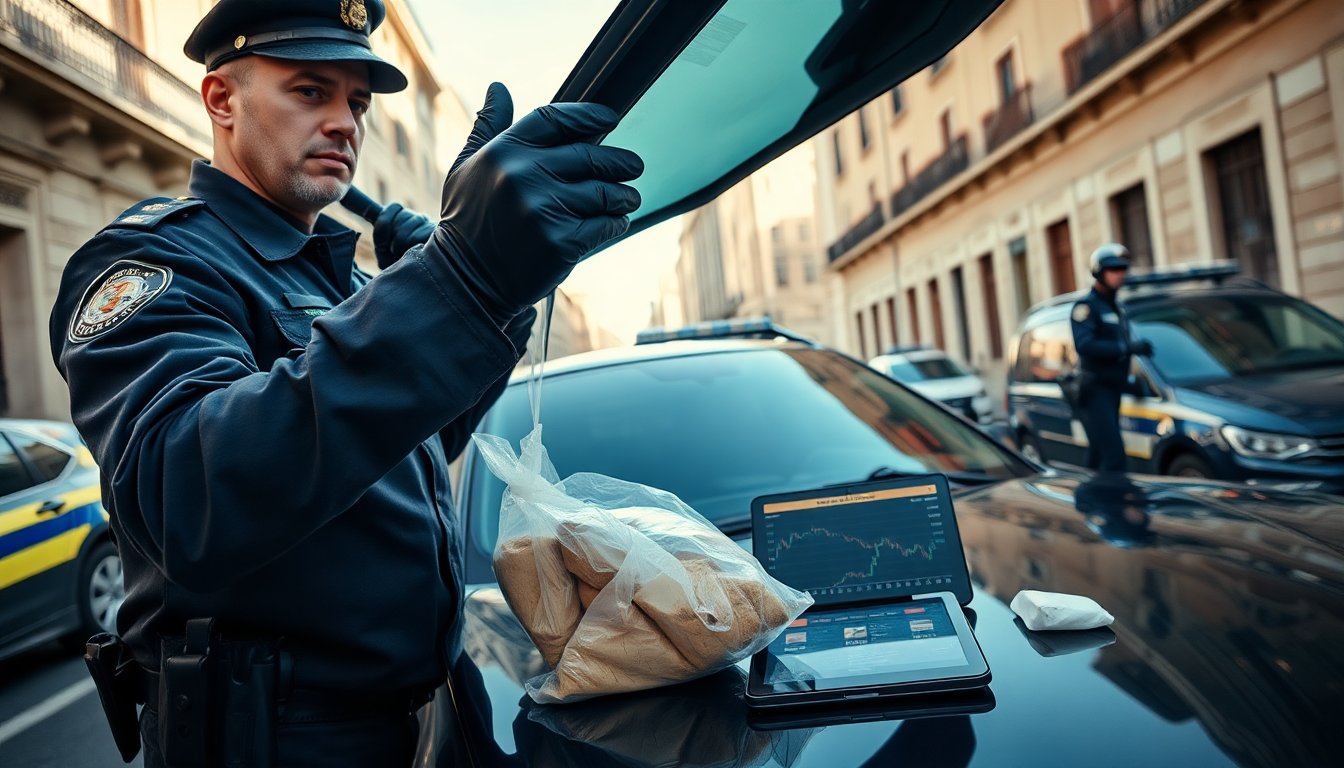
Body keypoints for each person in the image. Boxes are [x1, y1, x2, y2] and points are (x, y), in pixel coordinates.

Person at [48, 0, 642, 765]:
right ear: (222, 100)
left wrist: (487, 298)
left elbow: (420, 449)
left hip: (420, 715)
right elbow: (185, 495)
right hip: (277, 740)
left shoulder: (350, 282)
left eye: (356, 102)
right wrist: (452, 284)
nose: (344, 122)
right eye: (309, 91)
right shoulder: (157, 263)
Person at [1069, 244, 1154, 472]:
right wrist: (1127, 348)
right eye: (1113, 270)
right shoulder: (1086, 307)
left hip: (1113, 387)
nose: (1119, 275)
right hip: (1095, 389)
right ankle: (1112, 505)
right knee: (1114, 454)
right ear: (1099, 273)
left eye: (1122, 270)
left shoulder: (1116, 307)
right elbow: (1085, 345)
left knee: (1099, 452)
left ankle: (1090, 501)